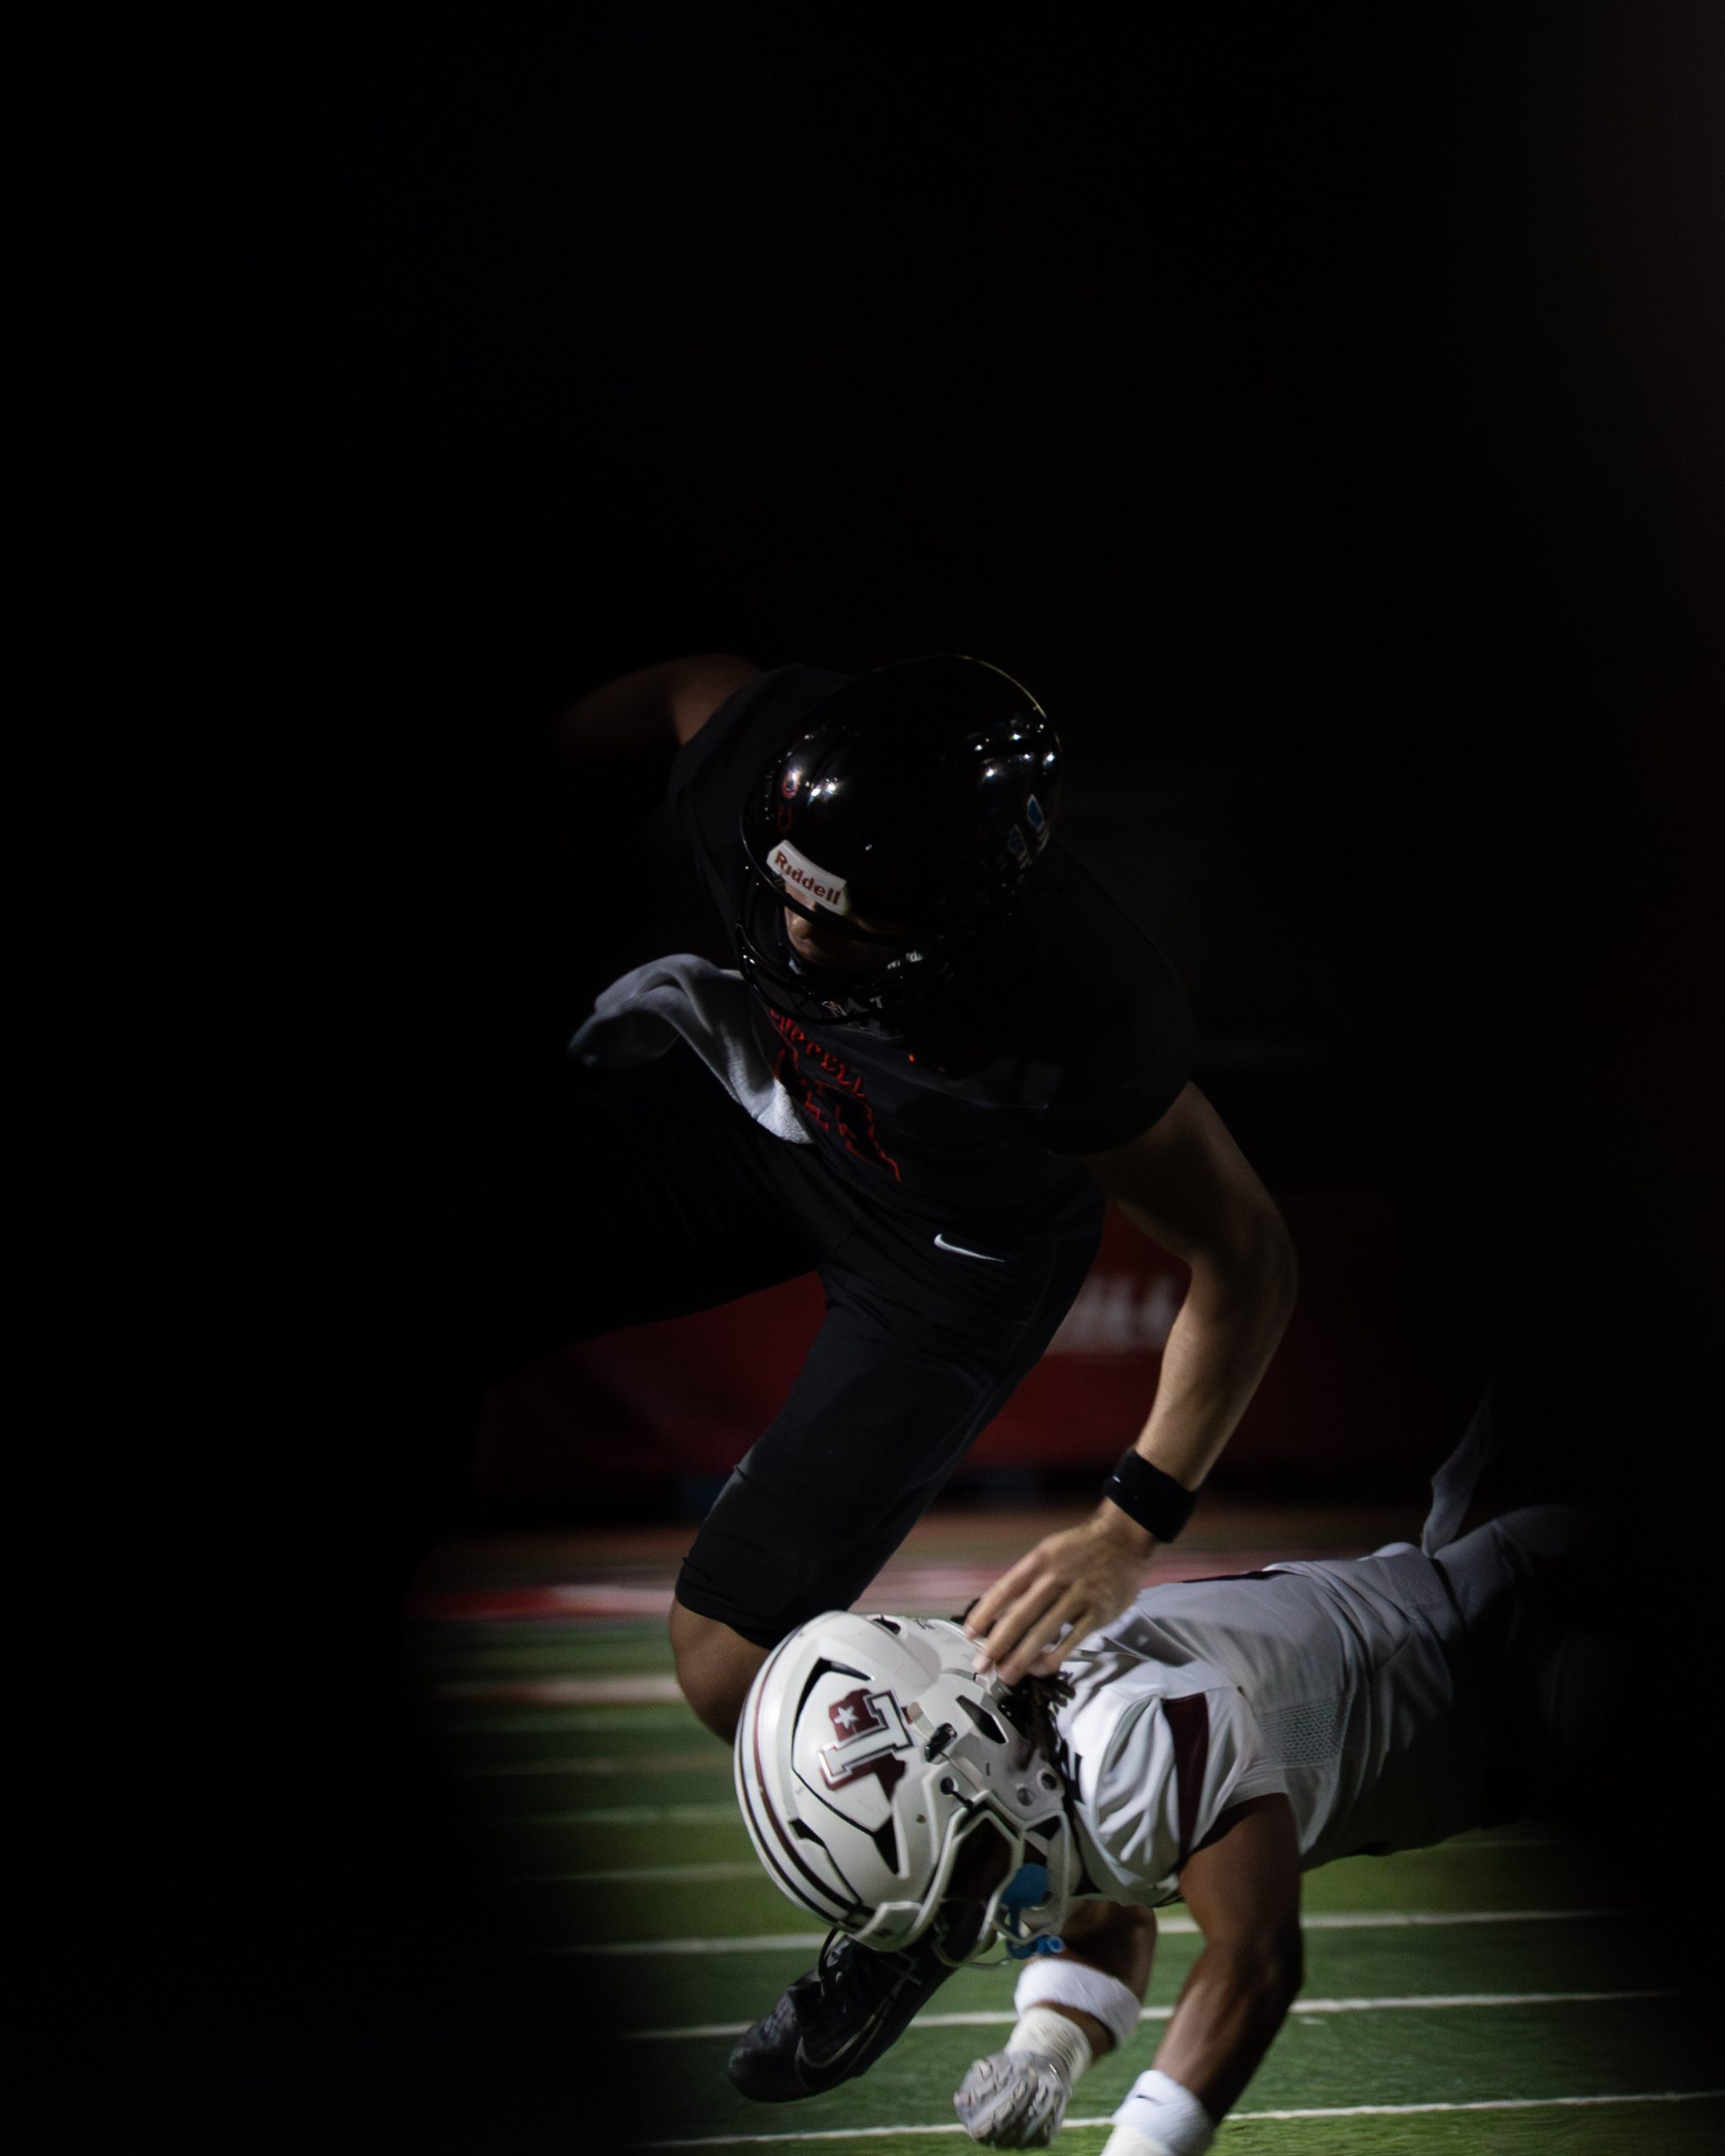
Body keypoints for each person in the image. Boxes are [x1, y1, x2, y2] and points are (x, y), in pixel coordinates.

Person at [406, 649, 1298, 2089]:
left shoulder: (1073, 998)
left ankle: (995, 1876)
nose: (800, 932)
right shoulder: (760, 769)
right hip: (770, 1108)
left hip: (951, 1247)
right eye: (792, 892)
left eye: (850, 915)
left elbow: (1246, 1257)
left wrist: (1129, 1524)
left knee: (727, 1662)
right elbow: (683, 689)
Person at [734, 1397, 1615, 2152]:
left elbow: (1255, 1957)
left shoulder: (1126, 1737)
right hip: (1490, 1707)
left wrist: (1141, 2144)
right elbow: (1109, 1909)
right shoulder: (1031, 1752)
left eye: (957, 1879)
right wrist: (1047, 2050)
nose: (972, 1915)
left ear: (968, 1752)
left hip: (1522, 1650)